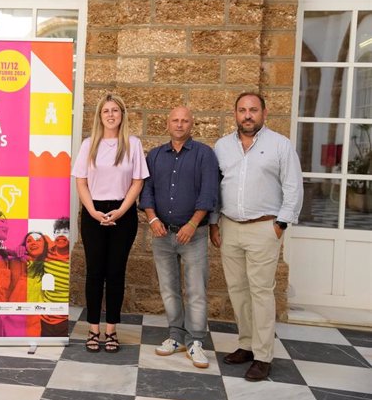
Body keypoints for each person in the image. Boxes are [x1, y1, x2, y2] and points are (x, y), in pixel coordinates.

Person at [209, 92, 303, 381]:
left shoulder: (280, 146)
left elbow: (293, 187)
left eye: (253, 110)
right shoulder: (222, 146)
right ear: (235, 113)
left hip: (265, 227)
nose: (247, 115)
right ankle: (246, 345)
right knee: (237, 290)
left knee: (261, 292)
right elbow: (215, 187)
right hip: (230, 227)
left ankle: (263, 356)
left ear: (264, 112)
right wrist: (214, 223)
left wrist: (281, 225)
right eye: (242, 110)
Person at [139, 107, 219, 368]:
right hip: (162, 234)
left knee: (196, 290)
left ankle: (196, 340)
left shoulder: (204, 155)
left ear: (192, 124)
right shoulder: (155, 155)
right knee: (169, 289)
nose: (180, 124)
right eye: (175, 120)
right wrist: (152, 219)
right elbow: (146, 191)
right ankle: (175, 336)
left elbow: (209, 193)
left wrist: (193, 224)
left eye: (185, 120)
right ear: (167, 123)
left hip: (193, 235)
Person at [72, 93, 148, 353]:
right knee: (95, 273)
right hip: (93, 212)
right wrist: (92, 211)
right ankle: (93, 329)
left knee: (116, 273)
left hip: (122, 213)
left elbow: (138, 181)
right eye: (106, 111)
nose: (111, 115)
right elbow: (80, 181)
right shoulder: (88, 144)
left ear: (122, 114)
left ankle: (112, 330)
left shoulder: (133, 144)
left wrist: (121, 211)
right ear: (100, 116)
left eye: (115, 110)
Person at [41, 217, 70, 337]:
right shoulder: (47, 253)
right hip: (44, 315)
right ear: (53, 235)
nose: (61, 235)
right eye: (58, 232)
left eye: (65, 232)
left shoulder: (71, 259)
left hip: (63, 317)